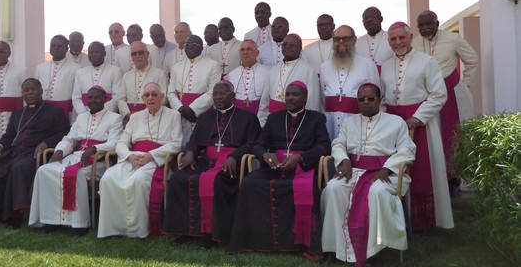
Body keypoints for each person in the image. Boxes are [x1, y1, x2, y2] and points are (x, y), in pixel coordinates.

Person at [228, 81, 331, 259]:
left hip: (302, 168)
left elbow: (324, 146)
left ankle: (302, 243)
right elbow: (260, 144)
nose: (290, 97)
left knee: (307, 190)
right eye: (288, 94)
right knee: (249, 183)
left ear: (305, 99)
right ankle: (254, 239)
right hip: (274, 167)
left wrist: (301, 158)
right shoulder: (275, 118)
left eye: (295, 94)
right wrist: (265, 156)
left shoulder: (316, 118)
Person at [320, 83, 416, 267]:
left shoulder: (395, 122)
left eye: (370, 99)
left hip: (386, 173)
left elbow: (407, 150)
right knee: (333, 188)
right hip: (355, 171)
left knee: (377, 191)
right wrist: (344, 160)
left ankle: (374, 249)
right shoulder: (350, 122)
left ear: (379, 100)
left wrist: (387, 168)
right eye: (361, 99)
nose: (366, 103)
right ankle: (333, 248)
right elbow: (338, 143)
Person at [164, 81, 261, 249]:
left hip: (230, 166)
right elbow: (195, 141)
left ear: (232, 96)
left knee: (213, 181)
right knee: (178, 178)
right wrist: (190, 152)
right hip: (205, 162)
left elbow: (252, 143)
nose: (218, 97)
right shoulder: (205, 117)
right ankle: (184, 231)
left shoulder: (248, 118)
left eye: (222, 93)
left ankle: (210, 234)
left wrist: (235, 155)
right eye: (215, 94)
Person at [0, 78, 70, 228]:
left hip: (36, 153)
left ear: (41, 91)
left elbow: (62, 133)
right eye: (26, 90)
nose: (30, 93)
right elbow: (9, 136)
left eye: (33, 89)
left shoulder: (55, 112)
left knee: (18, 169)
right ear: (23, 94)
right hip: (14, 151)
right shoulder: (18, 114)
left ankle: (13, 217)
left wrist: (45, 143)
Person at [380, 22, 453, 231]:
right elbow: (383, 98)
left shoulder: (427, 62)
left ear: (411, 38)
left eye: (402, 37)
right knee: (394, 168)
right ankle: (397, 215)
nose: (398, 42)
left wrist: (418, 117)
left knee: (421, 169)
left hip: (419, 124)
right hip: (394, 124)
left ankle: (424, 220)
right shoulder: (385, 65)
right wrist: (385, 121)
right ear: (389, 42)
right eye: (393, 39)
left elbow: (439, 95)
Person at [29, 86, 123, 233]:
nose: (93, 101)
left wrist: (94, 149)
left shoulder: (114, 118)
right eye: (90, 98)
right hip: (76, 156)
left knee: (76, 175)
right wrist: (59, 151)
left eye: (97, 97)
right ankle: (51, 220)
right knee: (44, 170)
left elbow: (115, 142)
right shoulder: (81, 117)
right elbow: (70, 139)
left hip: (98, 161)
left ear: (105, 99)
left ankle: (79, 224)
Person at [97, 82, 182, 238]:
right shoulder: (135, 117)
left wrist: (152, 155)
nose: (151, 98)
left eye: (154, 94)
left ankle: (137, 230)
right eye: (147, 95)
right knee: (108, 178)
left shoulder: (173, 115)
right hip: (133, 157)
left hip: (157, 160)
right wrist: (129, 156)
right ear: (143, 98)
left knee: (138, 181)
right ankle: (114, 227)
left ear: (162, 97)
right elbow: (122, 142)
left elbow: (176, 144)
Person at [413, 10, 479, 195]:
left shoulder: (452, 39)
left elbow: (472, 60)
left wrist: (464, 84)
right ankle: (434, 179)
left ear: (437, 23)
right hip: (426, 95)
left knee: (453, 136)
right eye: (421, 25)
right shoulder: (415, 43)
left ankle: (454, 180)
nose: (425, 28)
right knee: (432, 136)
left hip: (451, 92)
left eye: (429, 24)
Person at [320, 26, 379, 139]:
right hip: (330, 122)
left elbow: (377, 97)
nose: (340, 41)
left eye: (345, 38)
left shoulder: (367, 65)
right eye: (337, 39)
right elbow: (323, 98)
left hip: (359, 123)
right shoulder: (324, 66)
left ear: (354, 40)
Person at [168, 35, 221, 145]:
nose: (189, 47)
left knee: (201, 145)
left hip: (202, 113)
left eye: (193, 45)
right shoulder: (176, 67)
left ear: (201, 47)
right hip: (180, 114)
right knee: (180, 145)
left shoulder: (212, 65)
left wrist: (193, 109)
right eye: (187, 45)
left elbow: (213, 91)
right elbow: (171, 92)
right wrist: (180, 108)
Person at [257, 34, 321, 126]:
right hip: (272, 119)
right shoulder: (273, 70)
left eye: (292, 45)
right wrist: (262, 121)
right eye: (285, 44)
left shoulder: (309, 70)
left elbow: (312, 102)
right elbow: (265, 101)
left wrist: (307, 125)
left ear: (300, 48)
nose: (287, 47)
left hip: (295, 121)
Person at [117, 41, 168, 125]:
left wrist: (146, 114)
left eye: (140, 53)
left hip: (153, 117)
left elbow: (163, 97)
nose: (138, 56)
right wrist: (128, 115)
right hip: (130, 119)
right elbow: (121, 99)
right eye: (134, 54)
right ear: (131, 57)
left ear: (147, 54)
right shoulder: (127, 76)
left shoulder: (159, 73)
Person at [72, 41, 123, 119]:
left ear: (104, 53)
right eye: (91, 52)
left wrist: (102, 112)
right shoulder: (80, 72)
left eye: (97, 52)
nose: (94, 55)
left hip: (107, 116)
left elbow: (117, 96)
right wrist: (84, 113)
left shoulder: (115, 71)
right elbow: (76, 97)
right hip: (84, 116)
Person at [35, 35, 80, 121]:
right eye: (53, 46)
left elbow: (77, 95)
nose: (55, 48)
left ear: (67, 49)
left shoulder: (76, 68)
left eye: (59, 46)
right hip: (43, 113)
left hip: (65, 112)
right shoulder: (40, 68)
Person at [224, 39, 270, 114]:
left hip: (259, 111)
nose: (245, 52)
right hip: (237, 113)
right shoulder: (232, 74)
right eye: (242, 50)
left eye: (249, 49)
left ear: (257, 53)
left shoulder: (268, 72)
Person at [356, 7, 394, 73]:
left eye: (373, 16)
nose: (369, 20)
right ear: (363, 22)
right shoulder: (358, 42)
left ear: (381, 19)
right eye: (366, 18)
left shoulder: (392, 38)